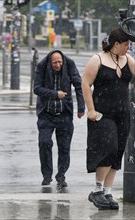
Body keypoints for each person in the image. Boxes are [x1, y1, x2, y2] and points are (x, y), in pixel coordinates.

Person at [82, 28, 135, 209]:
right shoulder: (98, 59)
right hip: (103, 113)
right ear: (115, 44)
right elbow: (85, 84)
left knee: (118, 152)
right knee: (108, 148)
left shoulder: (127, 59)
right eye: (126, 45)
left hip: (122, 113)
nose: (128, 48)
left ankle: (108, 192)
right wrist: (91, 109)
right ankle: (97, 190)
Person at [34, 50, 85, 188]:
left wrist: (81, 107)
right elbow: (37, 89)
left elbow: (79, 85)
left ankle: (61, 176)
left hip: (64, 113)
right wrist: (55, 94)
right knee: (44, 143)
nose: (58, 65)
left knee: (64, 147)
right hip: (46, 113)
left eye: (60, 62)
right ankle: (47, 175)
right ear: (50, 62)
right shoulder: (42, 66)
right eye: (55, 62)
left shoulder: (69, 64)